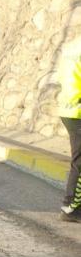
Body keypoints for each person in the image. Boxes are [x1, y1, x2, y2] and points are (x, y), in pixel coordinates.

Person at [58, 46, 81, 222]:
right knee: (79, 162)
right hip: (78, 111)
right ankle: (70, 208)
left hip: (68, 108)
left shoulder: (71, 47)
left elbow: (62, 78)